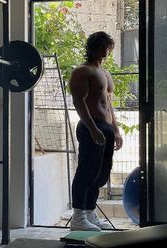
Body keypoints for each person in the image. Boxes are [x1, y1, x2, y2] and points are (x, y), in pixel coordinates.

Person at [69, 31, 123, 231]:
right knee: (86, 171)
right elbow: (78, 102)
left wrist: (115, 130)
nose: (107, 50)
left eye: (109, 47)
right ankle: (78, 217)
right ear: (93, 47)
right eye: (104, 46)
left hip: (106, 128)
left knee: (100, 174)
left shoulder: (105, 73)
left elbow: (109, 105)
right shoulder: (83, 72)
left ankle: (90, 214)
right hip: (91, 126)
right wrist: (92, 129)